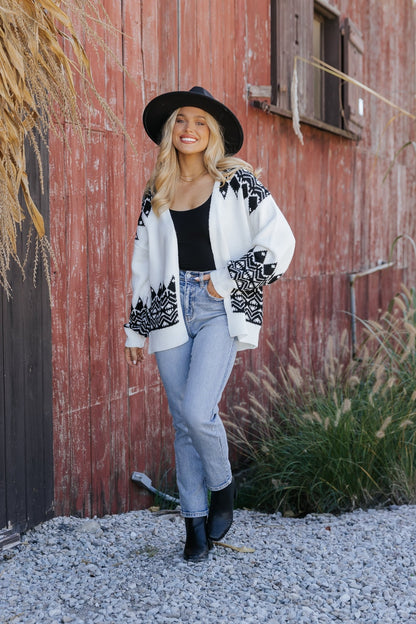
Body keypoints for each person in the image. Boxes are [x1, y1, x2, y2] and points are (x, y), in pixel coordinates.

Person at [124, 86, 295, 562]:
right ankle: (194, 527)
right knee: (183, 422)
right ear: (170, 130)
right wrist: (135, 329)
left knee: (199, 409)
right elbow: (143, 261)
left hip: (220, 306)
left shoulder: (237, 183)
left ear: (212, 132)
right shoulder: (156, 190)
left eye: (200, 122)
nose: (189, 130)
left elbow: (281, 242)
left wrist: (229, 279)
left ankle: (222, 487)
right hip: (169, 307)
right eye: (181, 120)